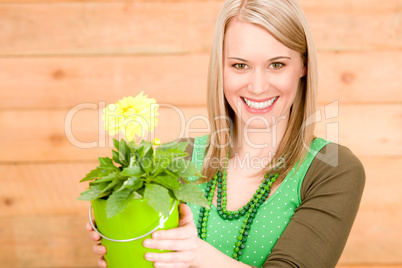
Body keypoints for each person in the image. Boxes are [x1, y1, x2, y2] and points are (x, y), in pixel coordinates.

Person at [86, 0, 365, 267]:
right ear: (220, 67)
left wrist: (196, 255)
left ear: (303, 65)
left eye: (277, 64)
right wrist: (122, 243)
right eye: (240, 65)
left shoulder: (332, 169)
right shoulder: (170, 160)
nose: (257, 87)